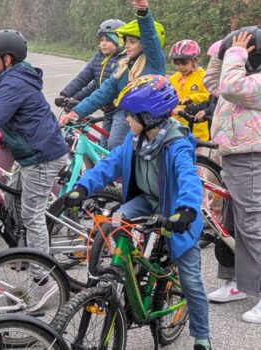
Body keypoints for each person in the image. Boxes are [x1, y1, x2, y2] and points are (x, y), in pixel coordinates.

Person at [64, 74, 211, 350]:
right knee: (117, 220)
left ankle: (203, 337)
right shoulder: (134, 141)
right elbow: (108, 166)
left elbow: (189, 180)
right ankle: (125, 274)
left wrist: (187, 211)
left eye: (131, 116)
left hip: (176, 208)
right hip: (145, 200)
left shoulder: (176, 143)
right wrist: (81, 188)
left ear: (150, 117)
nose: (126, 120)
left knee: (190, 279)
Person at [0, 28, 69, 306]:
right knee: (11, 201)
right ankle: (27, 252)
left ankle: (44, 279)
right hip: (27, 155)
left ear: (7, 59)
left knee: (32, 215)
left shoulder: (15, 83)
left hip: (42, 156)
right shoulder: (4, 79)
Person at [202, 27, 261, 324]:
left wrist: (235, 54)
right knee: (230, 224)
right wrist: (222, 51)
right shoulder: (240, 74)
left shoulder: (254, 81)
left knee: (251, 224)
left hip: (252, 157)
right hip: (233, 155)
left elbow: (230, 87)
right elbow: (213, 81)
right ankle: (235, 281)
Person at [59, 0, 166, 150]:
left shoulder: (154, 63)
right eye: (125, 41)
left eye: (132, 42)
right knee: (105, 147)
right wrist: (75, 113)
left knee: (115, 145)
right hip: (131, 119)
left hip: (149, 122)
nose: (126, 45)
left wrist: (143, 12)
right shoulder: (123, 67)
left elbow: (150, 37)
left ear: (144, 45)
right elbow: (101, 93)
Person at [58, 19, 126, 144]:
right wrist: (66, 95)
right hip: (107, 109)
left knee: (114, 143)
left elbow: (105, 90)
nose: (103, 44)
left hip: (122, 110)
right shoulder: (98, 57)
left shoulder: (123, 61)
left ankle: (124, 163)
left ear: (120, 40)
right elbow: (83, 79)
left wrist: (79, 108)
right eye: (101, 40)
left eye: (108, 40)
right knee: (104, 145)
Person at [167, 39, 210, 142]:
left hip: (197, 128)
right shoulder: (172, 79)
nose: (181, 67)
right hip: (175, 128)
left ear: (194, 60)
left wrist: (191, 98)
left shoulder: (204, 76)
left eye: (184, 63)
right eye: (177, 64)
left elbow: (209, 96)